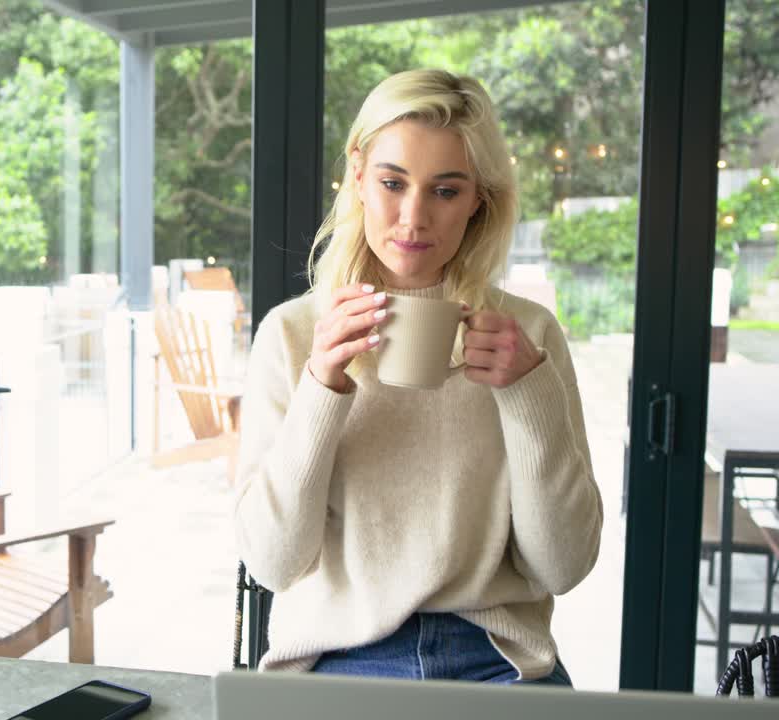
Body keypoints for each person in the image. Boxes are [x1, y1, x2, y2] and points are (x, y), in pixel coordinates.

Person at [233, 68, 601, 686]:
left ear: (479, 197)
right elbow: (273, 564)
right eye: (392, 182)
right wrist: (322, 386)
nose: (413, 218)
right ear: (357, 173)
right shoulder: (293, 335)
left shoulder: (526, 338)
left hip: (498, 661)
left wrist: (527, 394)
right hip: (339, 657)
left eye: (446, 190)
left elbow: (562, 567)